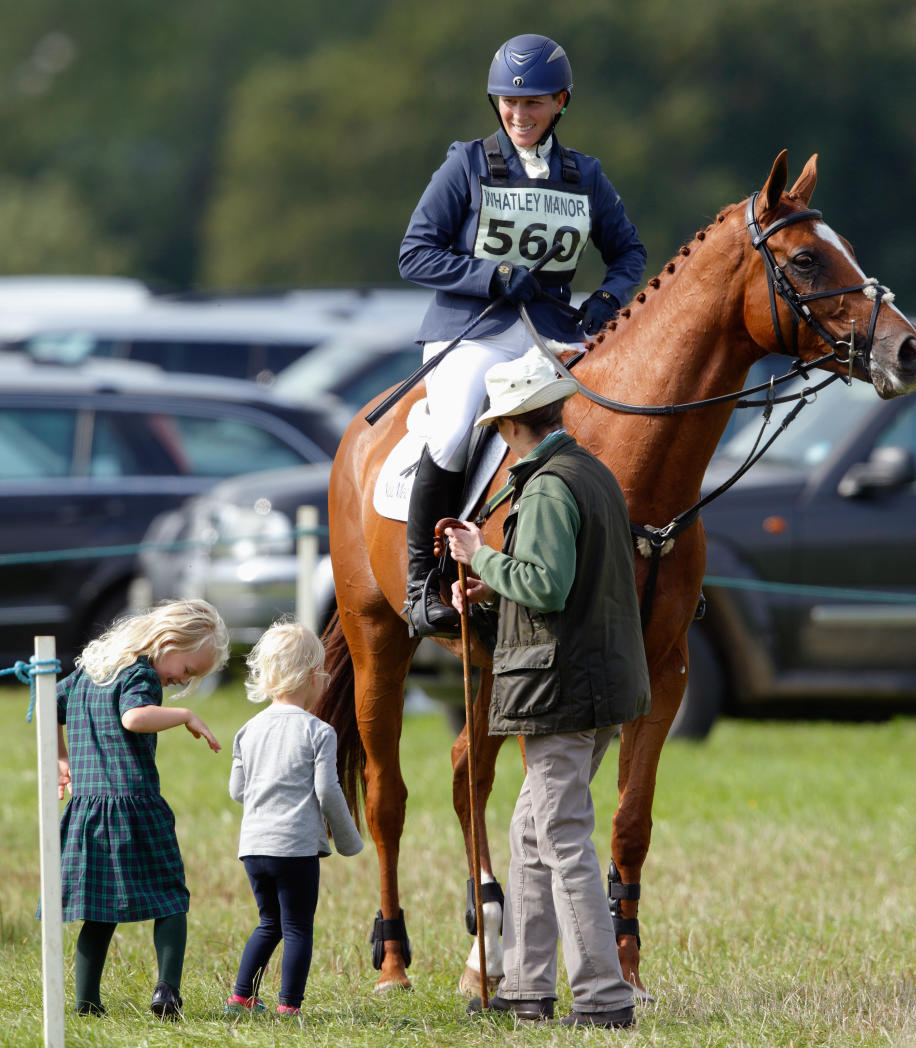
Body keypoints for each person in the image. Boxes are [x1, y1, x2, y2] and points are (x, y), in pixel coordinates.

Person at [398, 32, 646, 638]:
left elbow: (629, 252)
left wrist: (608, 300)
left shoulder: (583, 174)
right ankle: (420, 584)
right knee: (455, 430)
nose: (518, 115)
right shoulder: (466, 164)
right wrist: (492, 275)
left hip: (550, 337)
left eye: (533, 103)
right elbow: (415, 254)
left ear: (561, 101)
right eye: (508, 103)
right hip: (472, 331)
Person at [444, 349, 650, 1029]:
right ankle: (528, 990)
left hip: (561, 686)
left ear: (508, 426)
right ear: (554, 409)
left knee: (559, 838)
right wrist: (491, 582)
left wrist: (483, 557)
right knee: (529, 833)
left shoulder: (547, 486)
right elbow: (561, 580)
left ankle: (602, 1000)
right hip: (598, 679)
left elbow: (546, 585)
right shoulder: (590, 472)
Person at [54, 599, 230, 1019]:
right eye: (187, 670)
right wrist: (184, 713)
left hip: (87, 813)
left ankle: (86, 1005)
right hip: (134, 806)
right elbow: (134, 717)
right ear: (169, 641)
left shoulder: (90, 672)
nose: (180, 681)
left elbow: (46, 703)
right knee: (170, 899)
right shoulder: (140, 672)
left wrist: (59, 756)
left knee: (97, 911)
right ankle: (167, 991)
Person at [226, 620, 363, 1018]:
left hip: (254, 848)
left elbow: (238, 791)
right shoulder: (319, 732)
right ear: (310, 677)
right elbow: (327, 790)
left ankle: (242, 997)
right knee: (298, 927)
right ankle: (290, 1007)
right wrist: (348, 839)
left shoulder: (247, 730)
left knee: (268, 922)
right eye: (323, 672)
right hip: (295, 847)